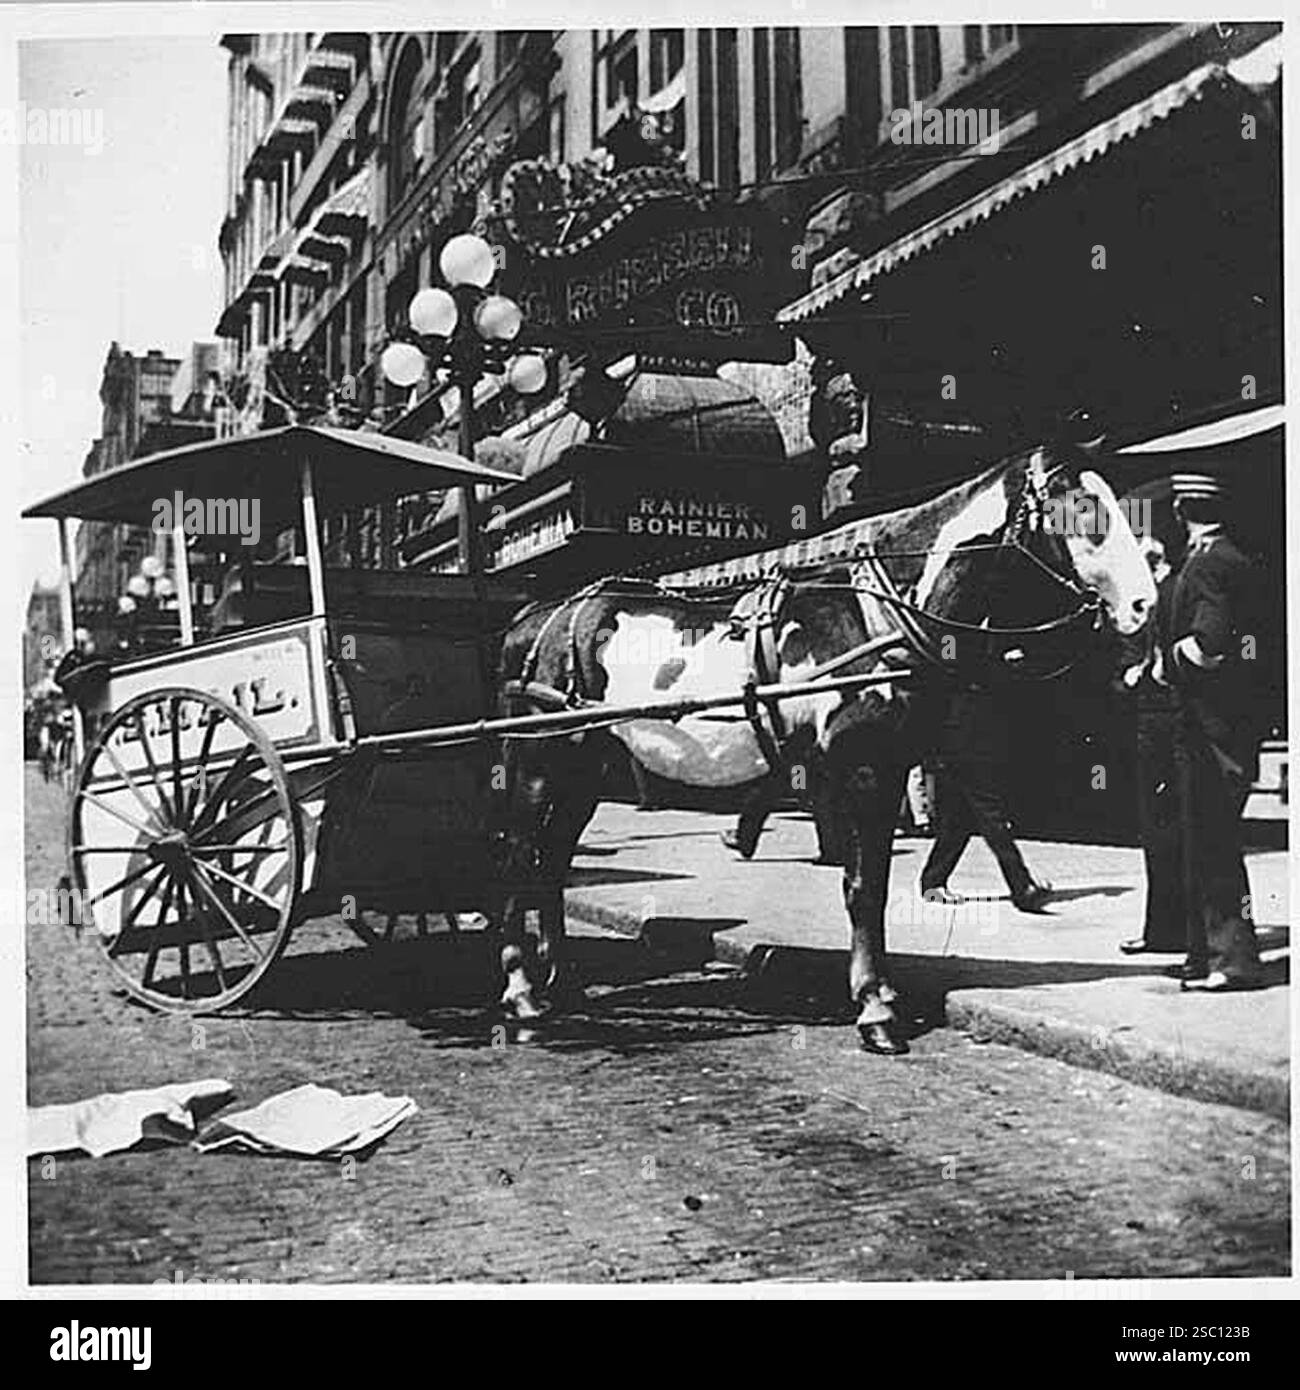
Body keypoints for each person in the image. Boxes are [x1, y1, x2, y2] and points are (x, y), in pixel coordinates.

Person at [1164, 472, 1264, 992]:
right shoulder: (1237, 559)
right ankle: (1205, 954)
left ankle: (1235, 961)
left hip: (1206, 730)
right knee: (1211, 838)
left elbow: (1210, 643)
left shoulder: (1204, 566)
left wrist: (1168, 660)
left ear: (1182, 510)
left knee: (1211, 842)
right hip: (1235, 723)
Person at [918, 683, 1052, 912]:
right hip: (963, 739)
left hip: (974, 735)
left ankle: (933, 882)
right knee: (990, 815)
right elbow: (952, 663)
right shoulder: (955, 650)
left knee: (957, 822)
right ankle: (1021, 886)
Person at [1118, 536, 1187, 955]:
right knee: (1157, 830)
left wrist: (1143, 672)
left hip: (1171, 717)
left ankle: (1177, 932)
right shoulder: (1141, 605)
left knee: (1173, 828)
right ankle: (1161, 931)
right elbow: (1126, 655)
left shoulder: (1176, 590)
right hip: (1149, 718)